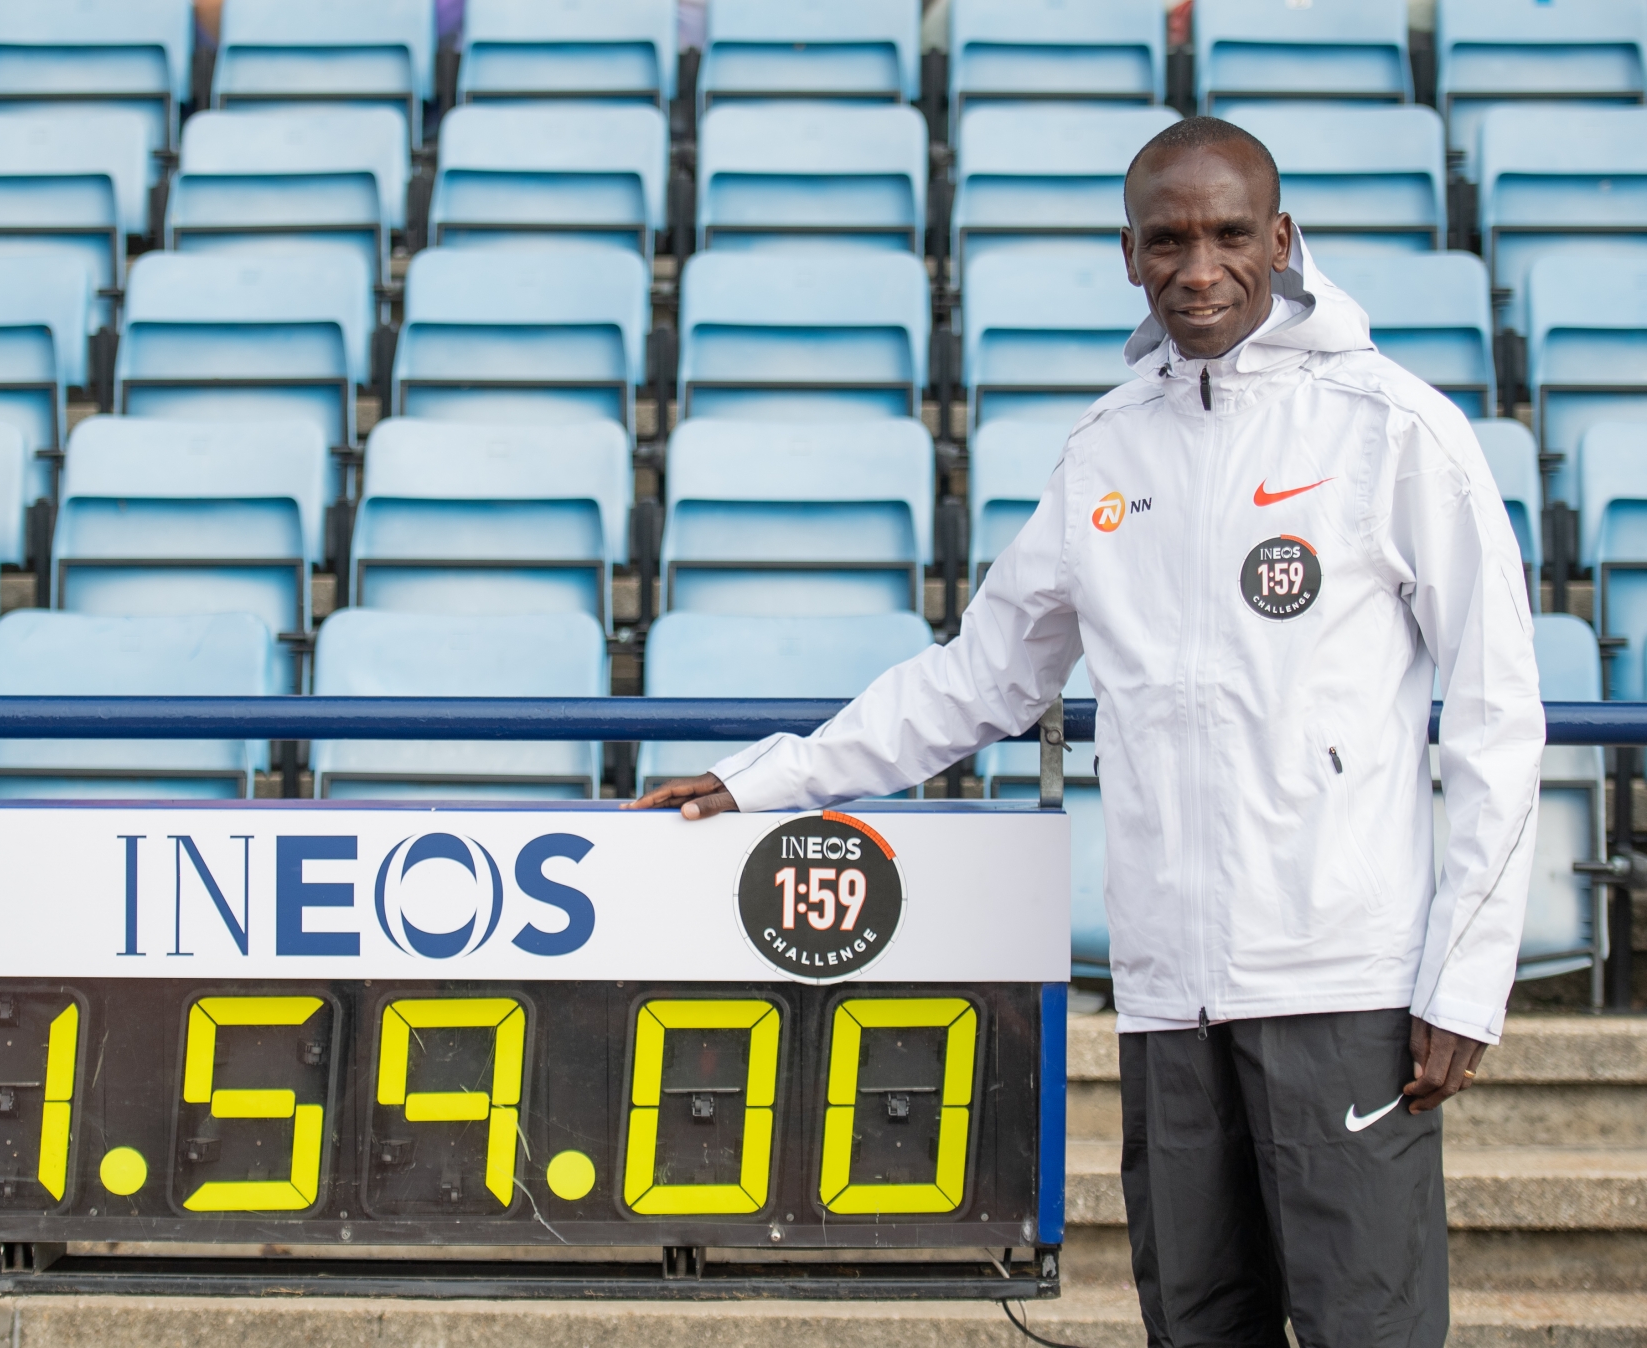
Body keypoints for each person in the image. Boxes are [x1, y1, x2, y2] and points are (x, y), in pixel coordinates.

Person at [631, 117, 1543, 1347]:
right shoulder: (1107, 450)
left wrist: (1463, 973)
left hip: (1345, 980)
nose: (1198, 267)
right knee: (1194, 1325)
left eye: (1228, 234)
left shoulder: (1389, 429)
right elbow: (975, 681)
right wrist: (765, 781)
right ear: (1129, 255)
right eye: (1167, 239)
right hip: (1169, 994)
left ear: (1281, 242)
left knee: (1363, 1329)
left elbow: (1496, 709)